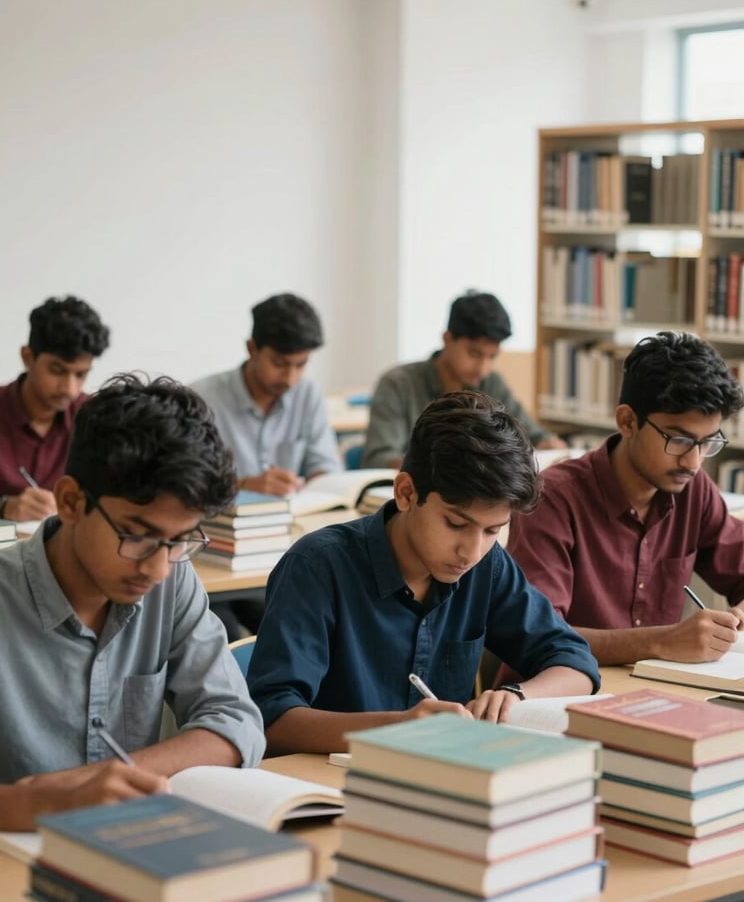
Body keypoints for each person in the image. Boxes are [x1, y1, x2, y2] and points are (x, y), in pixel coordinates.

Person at [0, 374, 265, 834]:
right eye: (137, 536)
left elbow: (235, 722)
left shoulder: (171, 582)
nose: (158, 569)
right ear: (70, 502)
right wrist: (46, 802)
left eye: (179, 541)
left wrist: (100, 781)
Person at [246, 391, 600, 756]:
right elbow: (270, 720)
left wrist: (516, 695)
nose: (471, 551)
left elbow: (575, 661)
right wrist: (397, 728)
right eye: (455, 523)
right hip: (326, 786)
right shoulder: (318, 567)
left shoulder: (487, 566)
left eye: (493, 530)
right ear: (406, 493)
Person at [507, 331, 744, 667]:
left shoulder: (693, 490)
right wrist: (663, 641)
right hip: (555, 696)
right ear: (627, 421)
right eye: (678, 439)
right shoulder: (554, 498)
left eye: (707, 443)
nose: (693, 462)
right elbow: (540, 635)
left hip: (652, 695)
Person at [361, 289, 566, 470]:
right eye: (475, 354)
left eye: (492, 357)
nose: (483, 369)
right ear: (447, 339)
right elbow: (378, 459)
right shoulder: (398, 384)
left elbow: (531, 434)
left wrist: (548, 444)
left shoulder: (491, 383)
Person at [0, 295, 110, 523]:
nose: (69, 388)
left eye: (81, 374)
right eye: (57, 371)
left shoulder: (93, 416)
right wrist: (1, 507)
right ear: (28, 357)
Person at [191, 293, 340, 498]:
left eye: (301, 364)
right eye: (279, 364)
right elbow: (186, 482)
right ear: (252, 349)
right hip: (222, 525)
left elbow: (325, 466)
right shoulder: (201, 401)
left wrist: (321, 484)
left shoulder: (308, 394)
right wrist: (241, 485)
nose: (290, 378)